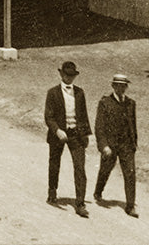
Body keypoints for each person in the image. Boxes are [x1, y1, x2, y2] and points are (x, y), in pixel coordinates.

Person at [45, 60, 92, 217]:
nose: (69, 78)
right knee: (54, 162)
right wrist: (57, 130)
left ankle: (80, 203)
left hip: (76, 135)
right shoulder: (52, 93)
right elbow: (48, 116)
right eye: (66, 75)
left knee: (80, 167)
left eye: (72, 76)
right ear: (61, 74)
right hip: (58, 134)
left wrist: (86, 135)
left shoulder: (80, 93)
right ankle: (52, 191)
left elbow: (84, 116)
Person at [93, 73, 138, 217]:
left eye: (123, 86)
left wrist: (134, 143)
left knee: (130, 173)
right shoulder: (105, 102)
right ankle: (98, 191)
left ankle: (130, 206)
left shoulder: (131, 103)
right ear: (113, 86)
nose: (121, 88)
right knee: (105, 170)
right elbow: (99, 127)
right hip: (110, 145)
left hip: (126, 145)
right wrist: (104, 146)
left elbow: (133, 124)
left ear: (126, 87)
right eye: (118, 85)